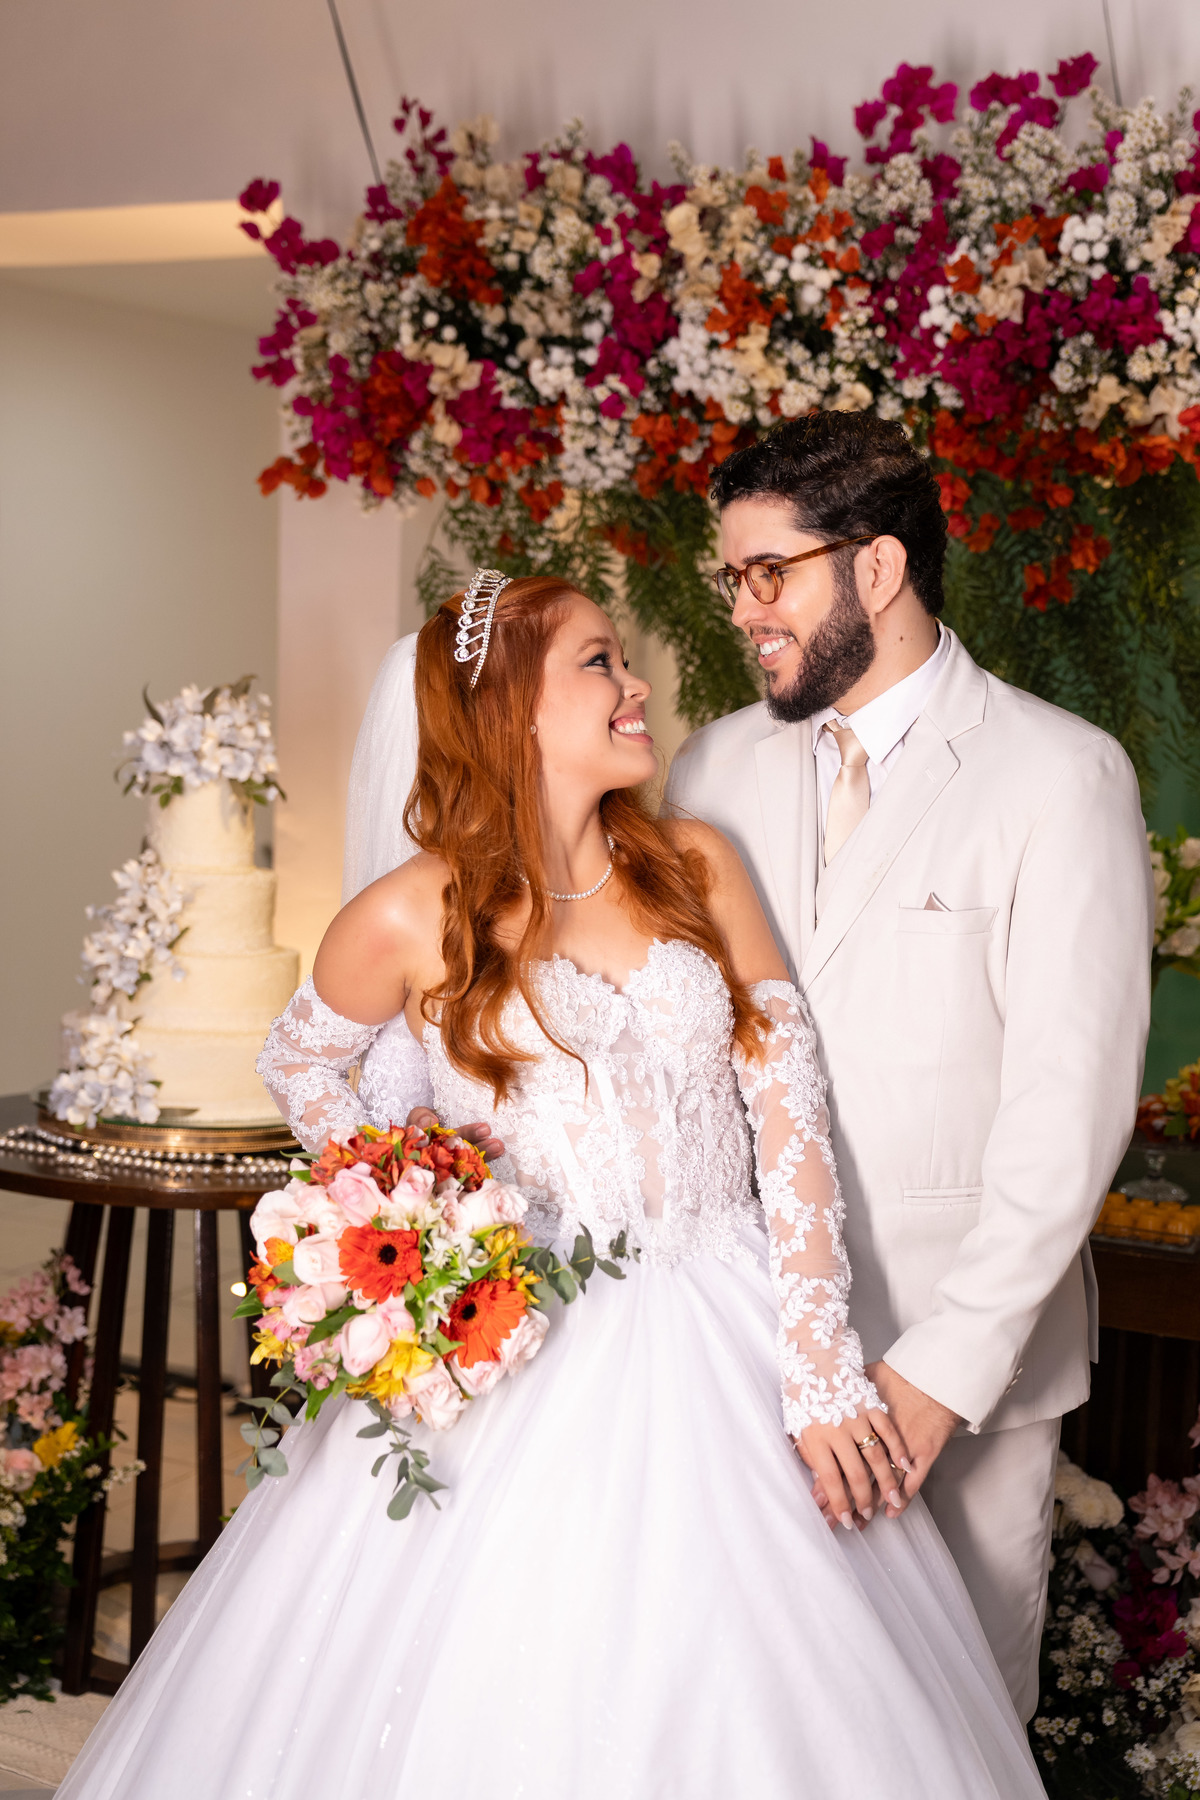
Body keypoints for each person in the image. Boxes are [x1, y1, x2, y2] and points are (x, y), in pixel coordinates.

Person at [57, 572, 1044, 1800]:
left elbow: (791, 1116)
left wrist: (818, 1362)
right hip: (524, 1330)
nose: (637, 687)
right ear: (512, 710)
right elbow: (299, 1060)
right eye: (598, 662)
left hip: (730, 1317)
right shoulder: (409, 916)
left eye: (623, 659)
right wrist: (407, 1212)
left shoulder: (696, 866)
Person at [664, 412, 1154, 1721]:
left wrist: (941, 1375)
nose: (742, 611)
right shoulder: (710, 768)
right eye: (733, 578)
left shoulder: (1063, 775)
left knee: (952, 1727)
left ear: (876, 568)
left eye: (771, 573)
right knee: (758, 1722)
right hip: (744, 1350)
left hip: (964, 1374)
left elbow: (1070, 1112)